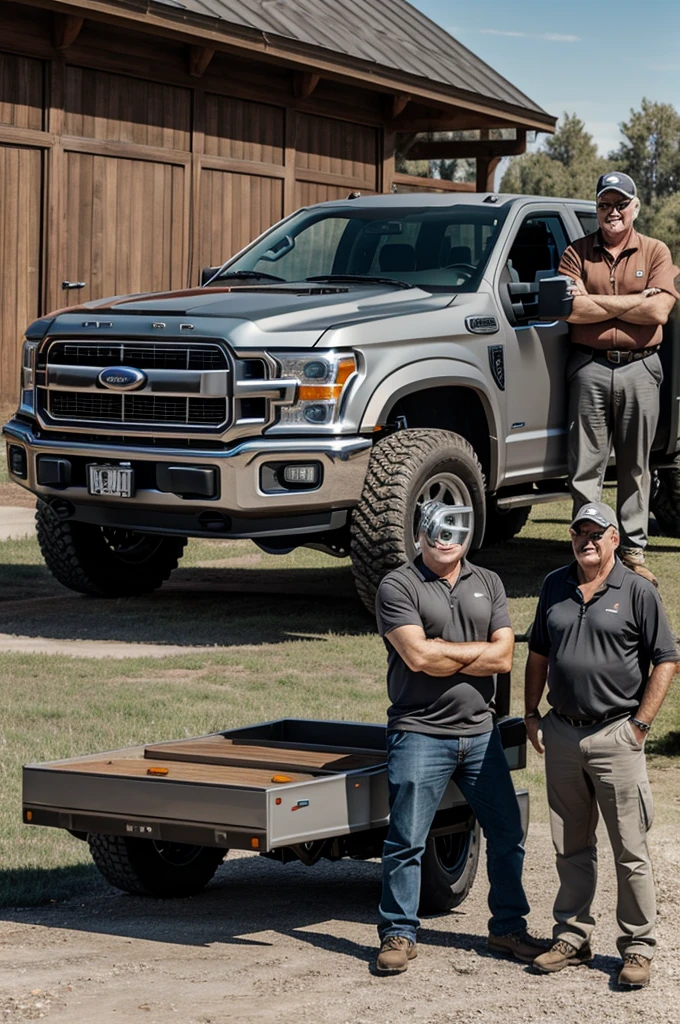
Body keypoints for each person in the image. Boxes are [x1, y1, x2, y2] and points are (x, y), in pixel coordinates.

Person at [374, 500, 541, 974]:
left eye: (456, 530)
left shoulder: (488, 583)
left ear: (468, 535)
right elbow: (418, 659)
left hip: (481, 736)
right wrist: (471, 653)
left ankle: (507, 929)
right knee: (407, 838)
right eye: (437, 529)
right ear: (420, 531)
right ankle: (398, 934)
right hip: (420, 732)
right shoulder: (398, 584)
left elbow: (504, 658)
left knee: (508, 832)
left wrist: (440, 650)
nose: (446, 538)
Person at [525, 500, 678, 988]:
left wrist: (640, 725)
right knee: (570, 845)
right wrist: (531, 713)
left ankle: (637, 946)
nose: (587, 541)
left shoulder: (637, 591)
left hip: (617, 733)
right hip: (563, 732)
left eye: (597, 533)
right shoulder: (554, 585)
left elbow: (667, 659)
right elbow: (537, 654)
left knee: (630, 848)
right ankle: (572, 936)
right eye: (579, 532)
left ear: (615, 538)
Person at [558, 171, 680, 583]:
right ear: (596, 208)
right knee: (585, 468)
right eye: (605, 204)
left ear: (635, 207)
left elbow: (659, 313)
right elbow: (571, 311)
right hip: (589, 366)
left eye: (620, 204)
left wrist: (597, 302)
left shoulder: (656, 251)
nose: (613, 212)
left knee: (635, 466)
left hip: (641, 367)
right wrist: (632, 302)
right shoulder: (575, 252)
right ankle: (588, 549)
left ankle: (631, 552)